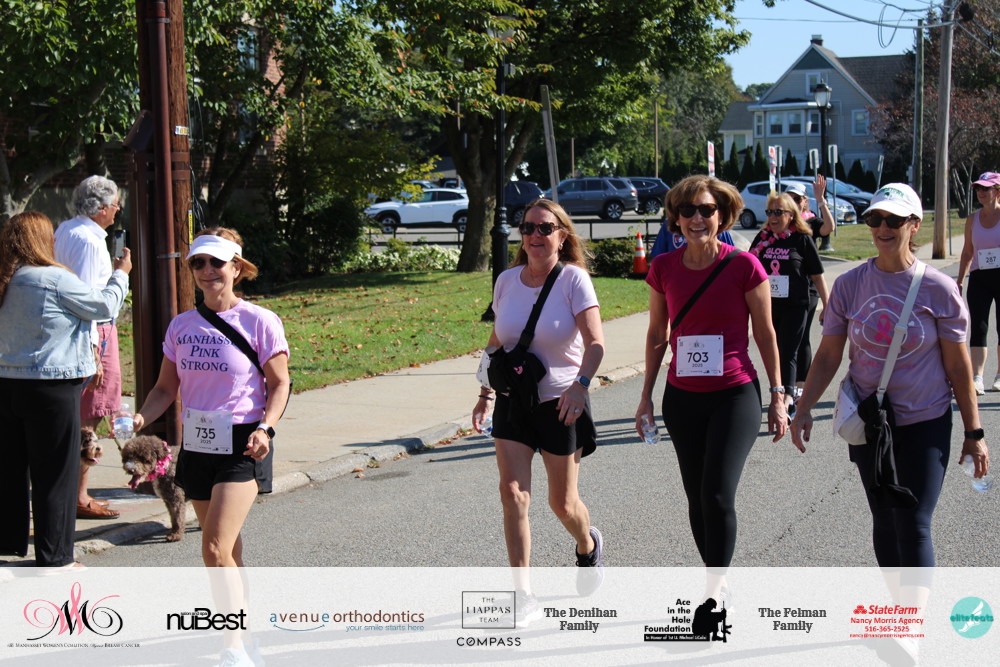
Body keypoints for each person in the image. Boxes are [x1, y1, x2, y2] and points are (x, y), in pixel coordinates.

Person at [791, 184, 989, 661]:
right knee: (884, 518)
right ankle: (902, 613)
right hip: (870, 423)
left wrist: (974, 433)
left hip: (925, 421)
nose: (882, 228)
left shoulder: (938, 289)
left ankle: (909, 627)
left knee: (914, 520)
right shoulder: (850, 285)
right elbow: (829, 355)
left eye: (894, 221)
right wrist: (803, 408)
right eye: (875, 219)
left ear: (913, 227)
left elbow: (959, 367)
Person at [133, 228, 289, 667]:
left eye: (216, 263)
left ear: (236, 268)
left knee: (215, 548)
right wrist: (142, 416)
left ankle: (232, 646)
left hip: (245, 443)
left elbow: (280, 383)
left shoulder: (260, 321)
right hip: (199, 445)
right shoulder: (181, 326)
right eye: (197, 263)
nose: (206, 271)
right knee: (228, 551)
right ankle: (248, 637)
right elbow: (165, 388)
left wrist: (266, 428)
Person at [634, 175, 790, 605]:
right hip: (682, 397)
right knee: (696, 497)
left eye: (706, 210)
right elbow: (656, 335)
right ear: (676, 219)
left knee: (717, 494)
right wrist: (645, 396)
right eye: (688, 211)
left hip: (733, 394)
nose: (697, 218)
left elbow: (766, 333)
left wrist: (778, 395)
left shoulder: (744, 266)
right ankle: (717, 577)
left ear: (722, 216)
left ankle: (713, 592)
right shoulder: (663, 268)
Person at [472, 198, 605, 610]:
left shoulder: (573, 281)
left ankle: (587, 543)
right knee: (512, 494)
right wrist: (484, 394)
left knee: (562, 504)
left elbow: (596, 344)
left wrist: (580, 387)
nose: (535, 235)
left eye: (545, 228)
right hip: (514, 400)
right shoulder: (506, 281)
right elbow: (496, 342)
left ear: (562, 236)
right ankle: (522, 593)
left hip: (561, 402)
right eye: (527, 227)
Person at [0, 211, 131, 568]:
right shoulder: (53, 278)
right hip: (51, 387)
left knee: (10, 470)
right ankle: (55, 557)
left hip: (6, 384)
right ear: (44, 240)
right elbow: (104, 306)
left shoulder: (6, 278)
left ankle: (7, 544)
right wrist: (121, 274)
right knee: (55, 474)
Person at [54, 175, 124, 520]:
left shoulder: (66, 230)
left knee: (81, 415)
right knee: (90, 416)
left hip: (77, 333)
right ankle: (78, 496)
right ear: (100, 208)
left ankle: (73, 493)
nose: (118, 209)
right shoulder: (89, 241)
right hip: (94, 333)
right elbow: (85, 299)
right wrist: (94, 350)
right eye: (114, 204)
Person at [749, 192, 829, 415]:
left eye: (778, 212)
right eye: (769, 212)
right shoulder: (762, 238)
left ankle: (788, 398)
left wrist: (828, 305)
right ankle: (778, 393)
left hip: (796, 305)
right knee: (773, 350)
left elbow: (817, 275)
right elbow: (748, 267)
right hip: (768, 306)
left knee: (789, 350)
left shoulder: (801, 238)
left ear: (791, 215)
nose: (772, 217)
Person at [787, 177, 836, 400]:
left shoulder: (810, 222)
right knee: (786, 338)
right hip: (784, 292)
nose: (793, 203)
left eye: (797, 199)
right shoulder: (779, 223)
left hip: (808, 290)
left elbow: (828, 228)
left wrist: (821, 200)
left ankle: (799, 385)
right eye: (789, 198)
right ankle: (786, 385)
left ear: (804, 202)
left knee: (801, 336)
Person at [957, 171, 1000, 394]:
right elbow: (967, 252)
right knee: (979, 326)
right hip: (979, 277)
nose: (981, 192)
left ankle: (999, 375)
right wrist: (959, 280)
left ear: (997, 191)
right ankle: (977, 377)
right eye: (978, 188)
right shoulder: (972, 220)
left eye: (986, 188)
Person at [649, 224, 734, 259]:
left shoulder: (720, 229)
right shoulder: (668, 226)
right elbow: (658, 257)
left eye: (706, 209)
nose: (697, 218)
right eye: (688, 208)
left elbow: (732, 261)